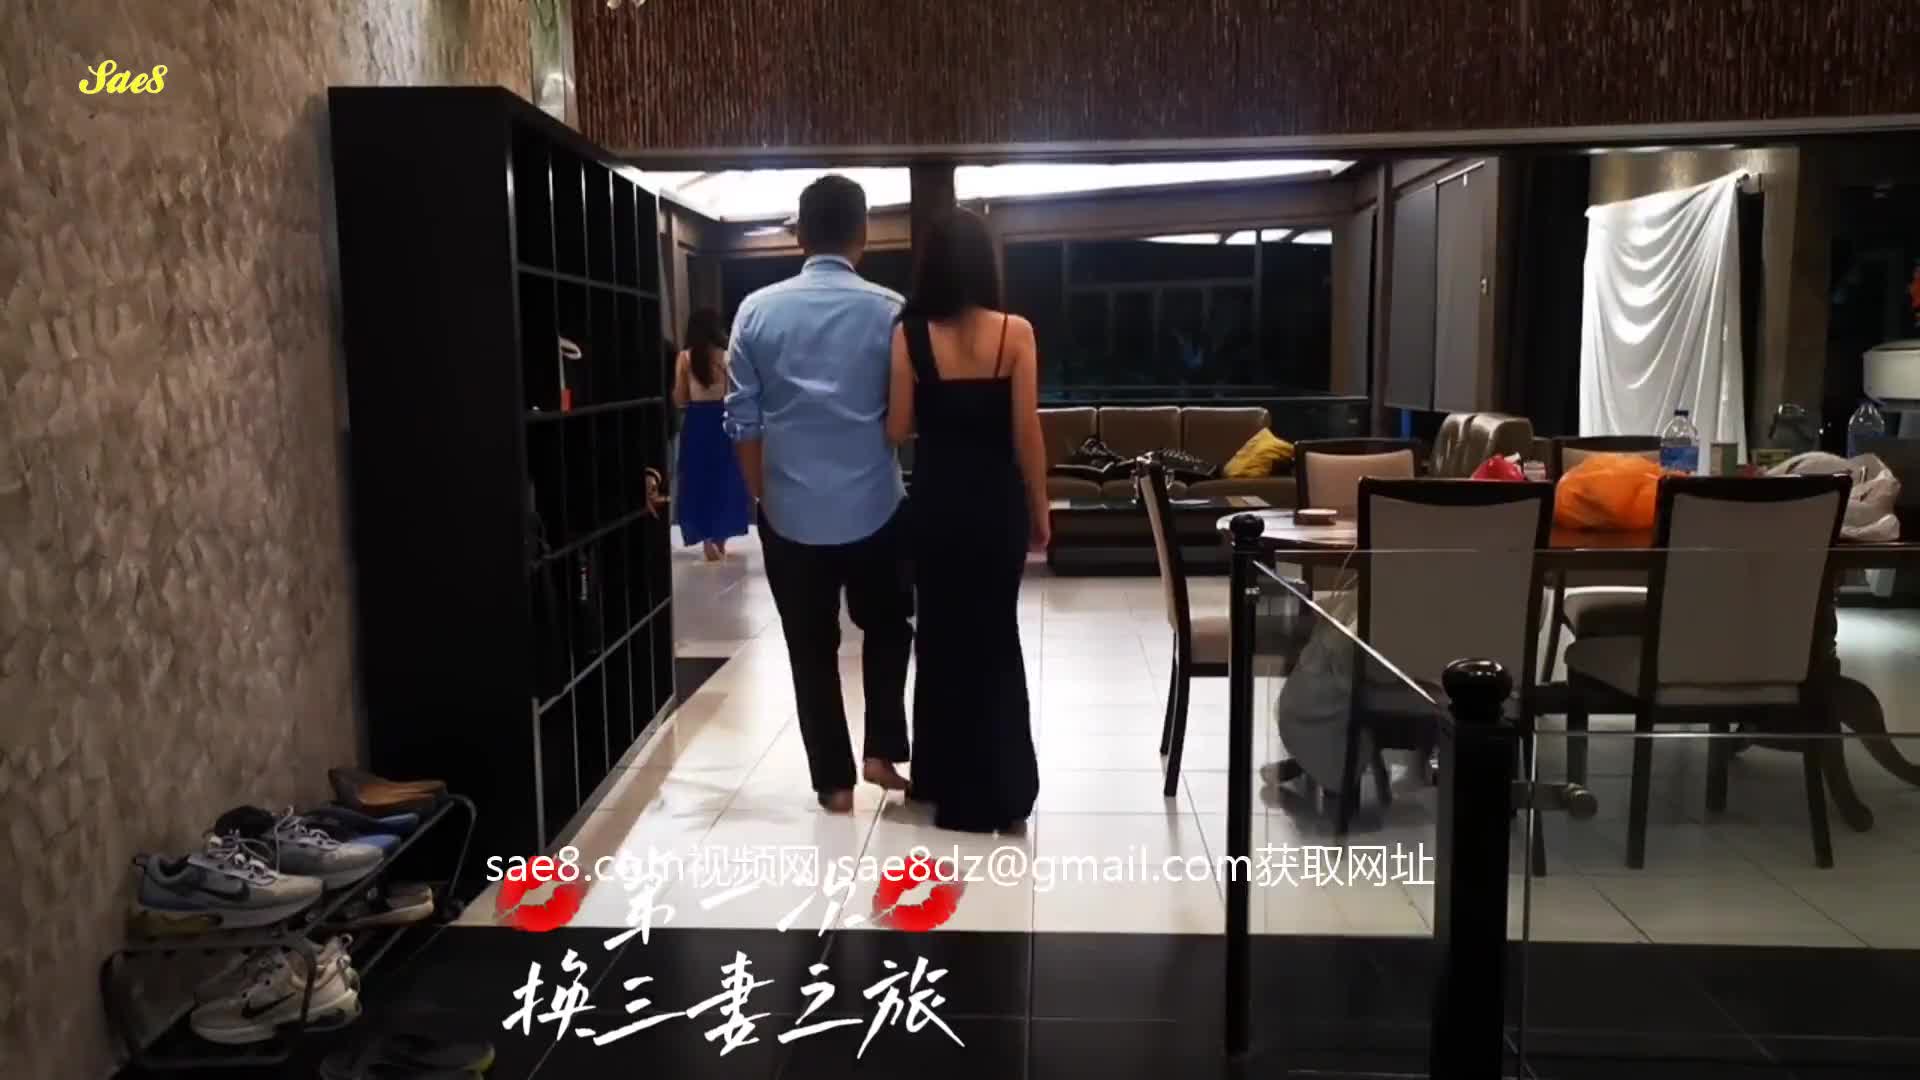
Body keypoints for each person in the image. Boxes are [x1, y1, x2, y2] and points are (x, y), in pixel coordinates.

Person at [724, 175, 913, 813]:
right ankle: (882, 750)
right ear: (864, 235)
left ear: (800, 235)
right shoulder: (892, 311)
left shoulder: (755, 311)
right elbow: (902, 417)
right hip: (876, 505)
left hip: (789, 510)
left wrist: (765, 496)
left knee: (810, 649)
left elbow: (742, 422)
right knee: (887, 627)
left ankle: (833, 784)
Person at [886, 207, 1046, 833]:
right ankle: (1002, 787)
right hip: (996, 505)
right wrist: (1039, 509)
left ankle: (940, 778)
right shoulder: (1016, 333)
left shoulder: (909, 334)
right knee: (995, 638)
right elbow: (1026, 433)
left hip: (936, 504)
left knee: (942, 640)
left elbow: (898, 428)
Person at [673, 309, 752, 560]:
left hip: (697, 422)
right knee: (725, 478)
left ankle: (706, 537)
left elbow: (680, 398)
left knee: (698, 478)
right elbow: (736, 395)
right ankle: (720, 538)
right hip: (724, 421)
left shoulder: (685, 358)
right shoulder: (728, 357)